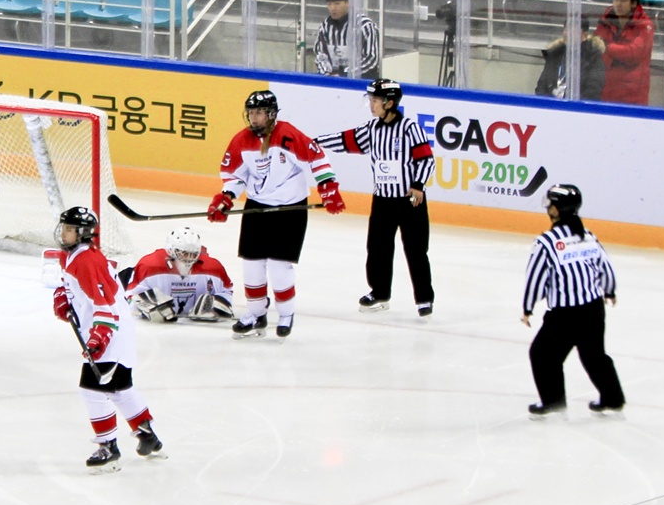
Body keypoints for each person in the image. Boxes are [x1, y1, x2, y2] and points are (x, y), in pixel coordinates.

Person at [205, 91, 345, 340]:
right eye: (251, 112)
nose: (254, 118)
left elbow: (317, 157)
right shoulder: (241, 141)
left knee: (280, 266)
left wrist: (328, 187)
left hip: (290, 210)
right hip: (257, 207)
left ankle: (286, 314)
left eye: (258, 112)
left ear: (271, 114)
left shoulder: (287, 134)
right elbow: (235, 176)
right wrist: (226, 198)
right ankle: (256, 314)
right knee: (252, 265)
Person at [52, 206, 165, 474]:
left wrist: (99, 337)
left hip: (110, 330)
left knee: (92, 389)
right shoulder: (72, 256)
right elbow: (70, 284)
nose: (64, 233)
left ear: (82, 234)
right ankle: (146, 434)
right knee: (119, 388)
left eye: (70, 229)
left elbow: (106, 305)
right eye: (64, 227)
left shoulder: (87, 260)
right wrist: (62, 297)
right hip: (113, 329)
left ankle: (108, 447)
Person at [315, 79, 436, 317]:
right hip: (382, 200)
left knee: (415, 249)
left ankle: (424, 298)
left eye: (375, 101)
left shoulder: (411, 129)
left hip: (410, 200)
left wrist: (418, 185)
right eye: (370, 100)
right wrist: (314, 143)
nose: (371, 105)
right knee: (377, 247)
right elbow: (345, 139)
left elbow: (426, 159)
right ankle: (379, 292)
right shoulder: (372, 129)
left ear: (389, 103)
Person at [521, 184, 624, 420]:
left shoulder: (546, 242)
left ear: (556, 209)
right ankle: (613, 398)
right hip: (593, 309)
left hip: (564, 315)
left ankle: (554, 402)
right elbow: (605, 267)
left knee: (543, 354)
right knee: (594, 355)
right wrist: (609, 291)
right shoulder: (588, 236)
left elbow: (535, 277)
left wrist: (527, 307)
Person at [118, 227, 235, 323]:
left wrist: (216, 304)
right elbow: (129, 296)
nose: (189, 259)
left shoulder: (212, 268)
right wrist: (145, 305)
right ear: (171, 250)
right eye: (184, 253)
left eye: (193, 254)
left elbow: (227, 292)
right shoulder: (150, 266)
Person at [594, 0, 654, 106]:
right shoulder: (606, 20)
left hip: (633, 95)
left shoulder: (645, 26)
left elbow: (634, 53)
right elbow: (596, 45)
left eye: (623, 0)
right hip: (606, 90)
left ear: (633, 3)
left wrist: (607, 48)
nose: (618, 4)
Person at [312, 0, 381, 79]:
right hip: (334, 81)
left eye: (337, 3)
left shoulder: (365, 26)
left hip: (362, 83)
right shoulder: (325, 27)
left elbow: (371, 58)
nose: (332, 8)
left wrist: (345, 74)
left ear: (347, 3)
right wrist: (327, 73)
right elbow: (320, 54)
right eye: (329, 4)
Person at [535, 16, 606, 101]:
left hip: (577, 109)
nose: (568, 33)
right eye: (566, 29)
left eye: (573, 30)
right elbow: (541, 85)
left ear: (585, 35)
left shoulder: (593, 57)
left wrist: (574, 106)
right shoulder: (555, 54)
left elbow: (593, 89)